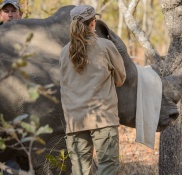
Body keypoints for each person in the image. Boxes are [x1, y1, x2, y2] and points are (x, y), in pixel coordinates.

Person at [59, 4, 126, 175]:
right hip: (102, 118)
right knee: (108, 168)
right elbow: (121, 79)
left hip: (75, 120)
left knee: (80, 171)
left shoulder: (64, 52)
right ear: (93, 23)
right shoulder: (105, 47)